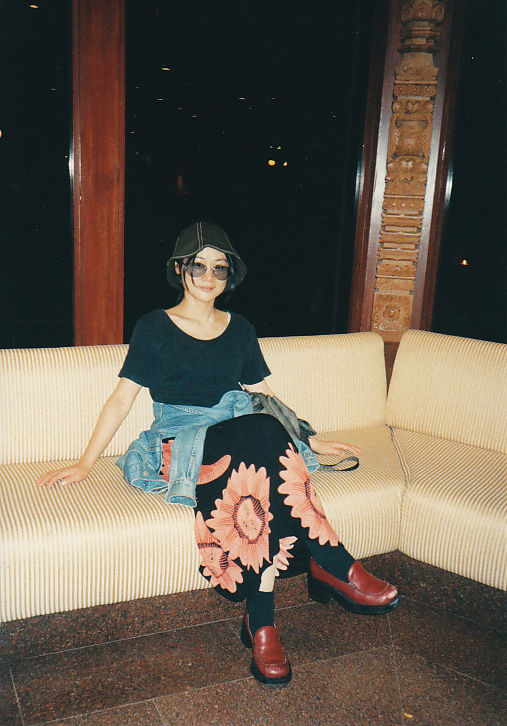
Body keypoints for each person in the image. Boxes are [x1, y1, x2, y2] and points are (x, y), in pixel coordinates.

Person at [37, 222, 399, 685]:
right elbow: (122, 398)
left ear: (230, 275)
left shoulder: (240, 329)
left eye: (219, 268)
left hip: (242, 434)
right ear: (179, 270)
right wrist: (86, 462)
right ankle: (333, 564)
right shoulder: (153, 327)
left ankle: (262, 622)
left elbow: (263, 394)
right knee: (260, 436)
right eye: (198, 266)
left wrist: (309, 438)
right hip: (185, 438)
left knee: (258, 458)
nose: (209, 277)